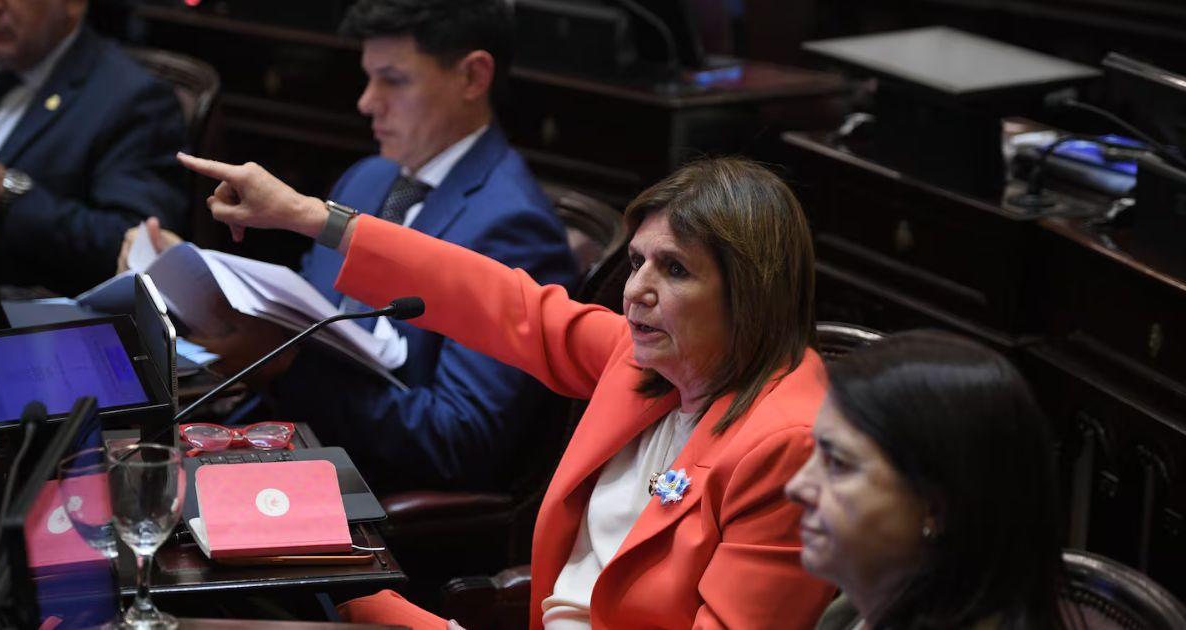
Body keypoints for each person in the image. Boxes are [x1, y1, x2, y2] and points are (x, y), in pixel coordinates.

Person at [178, 151, 835, 629]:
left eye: (675, 270)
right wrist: (308, 216)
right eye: (636, 262)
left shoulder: (786, 445)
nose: (636, 290)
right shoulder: (648, 363)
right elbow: (496, 299)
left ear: (749, 292)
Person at [120, 0, 577, 493]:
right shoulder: (369, 178)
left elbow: (459, 440)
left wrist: (288, 364)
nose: (365, 101)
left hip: (372, 495)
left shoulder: (514, 227)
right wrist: (192, 279)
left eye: (393, 80)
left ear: (472, 76)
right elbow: (306, 315)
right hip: (274, 443)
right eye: (367, 77)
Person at [786, 330, 1072, 630]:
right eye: (815, 453)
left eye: (838, 464)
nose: (796, 487)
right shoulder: (855, 613)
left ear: (937, 509)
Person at [0, 0, 187, 296]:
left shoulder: (134, 99)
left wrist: (2, 188)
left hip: (27, 321)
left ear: (72, 4)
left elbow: (130, 246)